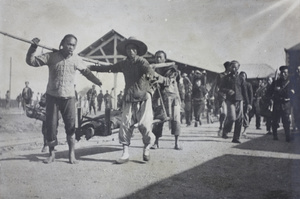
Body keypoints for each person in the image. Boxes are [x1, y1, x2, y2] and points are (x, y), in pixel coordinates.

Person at [89, 37, 169, 164]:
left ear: (136, 51)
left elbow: (150, 71)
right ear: (125, 51)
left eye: (133, 49)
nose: (131, 51)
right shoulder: (124, 64)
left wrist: (155, 77)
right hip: (128, 98)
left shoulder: (142, 62)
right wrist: (92, 68)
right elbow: (110, 68)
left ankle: (147, 147)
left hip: (143, 97)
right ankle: (125, 153)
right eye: (128, 49)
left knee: (145, 125)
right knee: (125, 125)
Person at [26, 34, 102, 164]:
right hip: (52, 97)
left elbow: (86, 72)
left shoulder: (76, 59)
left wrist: (97, 81)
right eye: (68, 44)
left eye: (73, 45)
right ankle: (52, 154)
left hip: (69, 98)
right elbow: (31, 61)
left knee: (71, 126)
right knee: (51, 126)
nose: (71, 47)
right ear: (62, 44)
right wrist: (33, 47)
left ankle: (71, 155)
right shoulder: (51, 56)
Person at [151, 50, 183, 150]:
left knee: (176, 119)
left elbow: (169, 81)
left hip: (173, 97)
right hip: (159, 97)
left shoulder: (172, 69)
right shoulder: (153, 69)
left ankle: (177, 142)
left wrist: (157, 78)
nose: (158, 59)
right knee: (158, 120)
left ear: (165, 59)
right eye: (156, 57)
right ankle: (156, 142)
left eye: (160, 57)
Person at [220, 60, 249, 143]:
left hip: (239, 100)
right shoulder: (225, 78)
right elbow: (221, 88)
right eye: (232, 67)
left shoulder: (241, 79)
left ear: (238, 68)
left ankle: (236, 138)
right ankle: (225, 130)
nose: (233, 69)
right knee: (232, 118)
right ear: (229, 67)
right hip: (230, 100)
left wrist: (248, 103)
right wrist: (228, 90)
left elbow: (245, 92)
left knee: (239, 119)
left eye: (235, 67)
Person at [267, 66, 292, 142]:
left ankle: (287, 136)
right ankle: (275, 135)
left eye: (285, 72)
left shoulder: (291, 83)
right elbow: (269, 92)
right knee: (275, 121)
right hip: (277, 104)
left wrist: (279, 90)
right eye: (282, 72)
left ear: (288, 74)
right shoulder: (275, 82)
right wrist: (271, 96)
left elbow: (289, 94)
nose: (283, 74)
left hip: (286, 104)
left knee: (286, 121)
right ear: (280, 73)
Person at [210, 61, 231, 136]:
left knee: (230, 115)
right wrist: (212, 95)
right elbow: (215, 85)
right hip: (222, 96)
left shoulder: (233, 76)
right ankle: (221, 127)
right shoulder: (220, 75)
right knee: (224, 113)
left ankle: (226, 130)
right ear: (227, 67)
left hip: (231, 97)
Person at [239, 71, 253, 136]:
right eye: (241, 76)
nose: (242, 77)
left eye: (243, 76)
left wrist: (250, 104)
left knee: (245, 115)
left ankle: (245, 130)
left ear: (246, 77)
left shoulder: (248, 84)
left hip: (246, 102)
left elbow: (251, 95)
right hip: (239, 102)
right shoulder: (238, 84)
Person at [291, 65, 300, 132]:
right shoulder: (294, 78)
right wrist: (292, 90)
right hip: (296, 98)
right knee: (296, 112)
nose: (298, 71)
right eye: (297, 70)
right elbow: (291, 86)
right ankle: (297, 125)